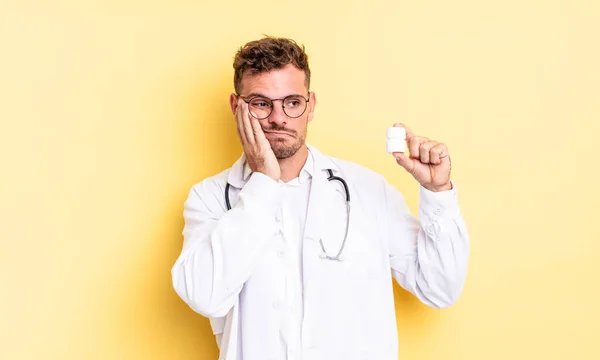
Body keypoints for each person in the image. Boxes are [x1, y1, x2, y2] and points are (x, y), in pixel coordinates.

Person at [171, 36, 470, 360]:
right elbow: (204, 296)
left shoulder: (367, 191)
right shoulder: (212, 198)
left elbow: (440, 288)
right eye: (260, 103)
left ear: (310, 105)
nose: (278, 118)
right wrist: (263, 182)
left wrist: (437, 192)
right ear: (236, 107)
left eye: (292, 102)